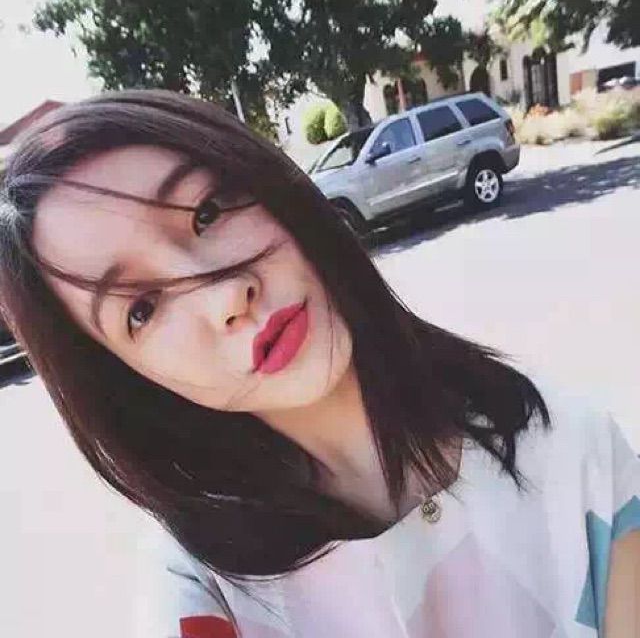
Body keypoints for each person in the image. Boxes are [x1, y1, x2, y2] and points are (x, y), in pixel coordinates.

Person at [0, 90, 638, 638]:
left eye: (206, 213)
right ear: (123, 377)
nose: (225, 298)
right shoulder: (202, 589)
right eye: (141, 308)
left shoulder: (575, 456)